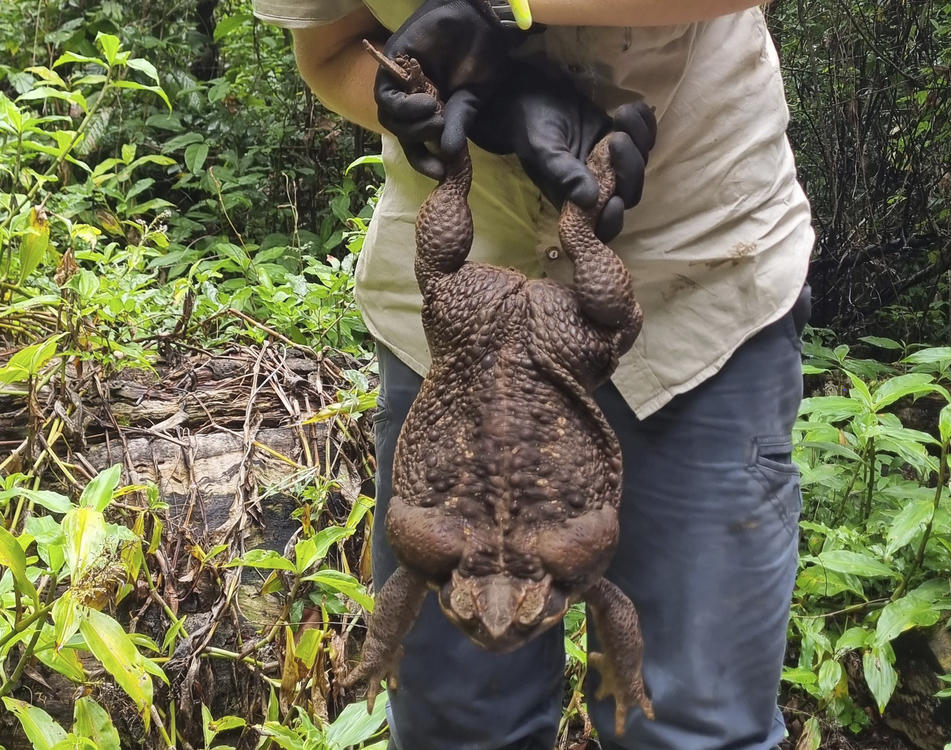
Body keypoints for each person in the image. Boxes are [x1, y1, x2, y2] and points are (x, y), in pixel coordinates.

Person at [253, 1, 814, 748]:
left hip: (695, 281)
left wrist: (501, 7)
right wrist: (448, 109)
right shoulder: (467, 565)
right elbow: (329, 53)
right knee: (455, 729)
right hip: (457, 323)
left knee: (693, 728)